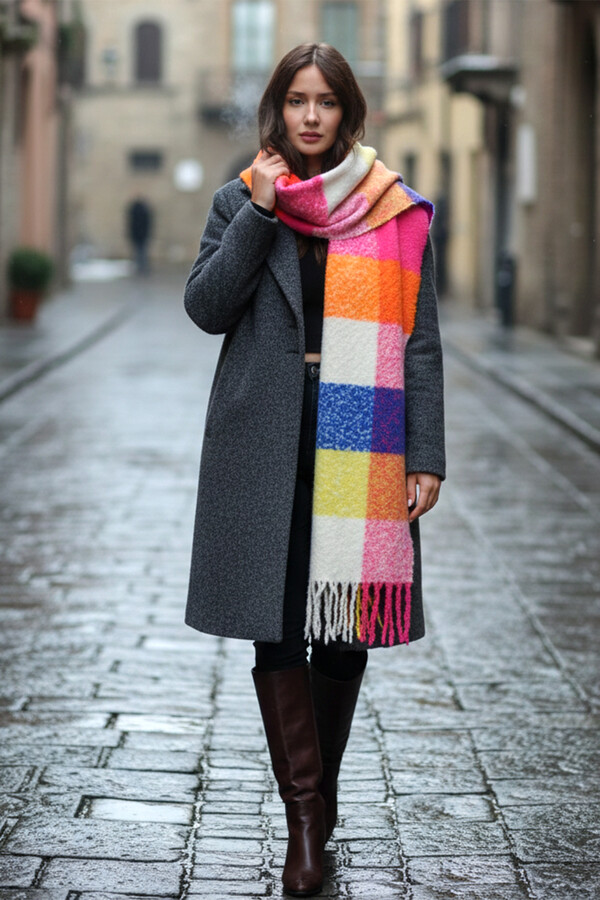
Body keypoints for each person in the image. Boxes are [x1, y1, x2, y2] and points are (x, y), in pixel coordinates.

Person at [183, 43, 445, 897]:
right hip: (263, 435)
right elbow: (206, 308)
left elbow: (419, 340)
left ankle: (316, 803)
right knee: (277, 622)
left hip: (356, 435)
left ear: (347, 111)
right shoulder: (241, 199)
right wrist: (258, 214)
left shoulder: (390, 210)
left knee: (344, 626)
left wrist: (426, 454)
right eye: (295, 100)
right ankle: (305, 826)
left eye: (325, 102)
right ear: (277, 108)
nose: (309, 116)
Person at [126, 196, 153, 275]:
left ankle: (140, 266)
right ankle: (141, 266)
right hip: (141, 234)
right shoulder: (143, 210)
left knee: (140, 251)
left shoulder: (137, 210)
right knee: (141, 251)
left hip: (138, 234)